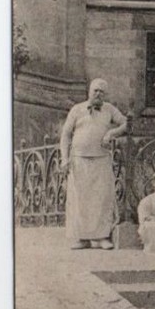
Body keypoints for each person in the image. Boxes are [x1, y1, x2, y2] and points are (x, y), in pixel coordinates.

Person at [59, 78, 127, 250]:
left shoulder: (109, 109)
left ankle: (101, 237)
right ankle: (80, 238)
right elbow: (66, 135)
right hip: (79, 159)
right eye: (95, 90)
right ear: (89, 92)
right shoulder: (77, 109)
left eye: (102, 92)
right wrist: (64, 158)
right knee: (79, 200)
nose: (98, 94)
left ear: (105, 95)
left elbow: (126, 123)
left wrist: (112, 132)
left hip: (101, 159)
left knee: (101, 198)